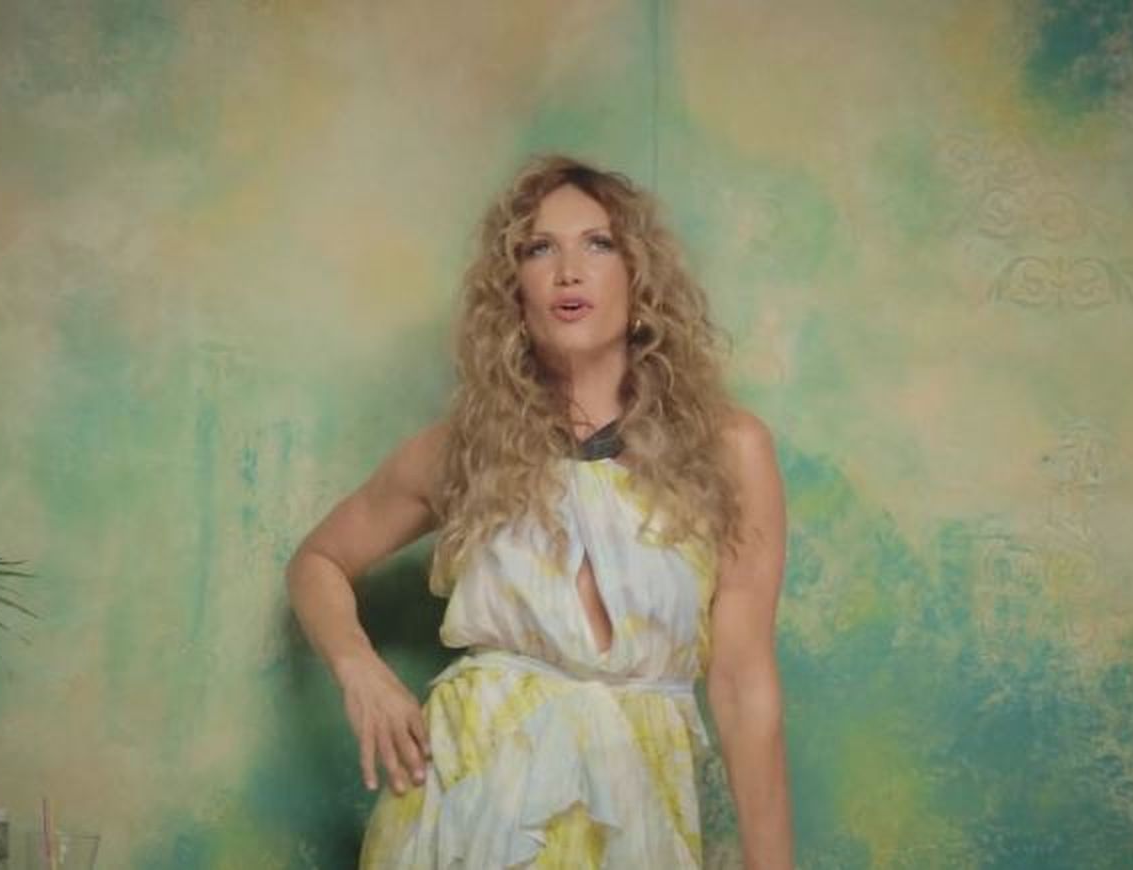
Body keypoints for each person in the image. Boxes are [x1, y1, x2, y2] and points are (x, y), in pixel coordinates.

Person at [287, 154, 794, 869]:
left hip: (639, 817)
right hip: (469, 811)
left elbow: (744, 687)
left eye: (599, 244)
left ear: (640, 280)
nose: (568, 271)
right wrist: (358, 668)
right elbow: (317, 561)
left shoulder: (730, 449)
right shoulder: (465, 449)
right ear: (513, 293)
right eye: (539, 249)